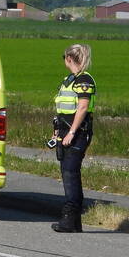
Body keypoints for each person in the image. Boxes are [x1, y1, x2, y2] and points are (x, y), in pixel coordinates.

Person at [51, 43, 96, 232]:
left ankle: (70, 218)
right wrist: (56, 131)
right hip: (64, 131)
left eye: (64, 58)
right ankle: (75, 222)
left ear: (69, 58)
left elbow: (83, 107)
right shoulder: (69, 80)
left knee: (71, 173)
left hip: (77, 133)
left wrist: (71, 132)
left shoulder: (84, 80)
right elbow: (63, 109)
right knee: (67, 172)